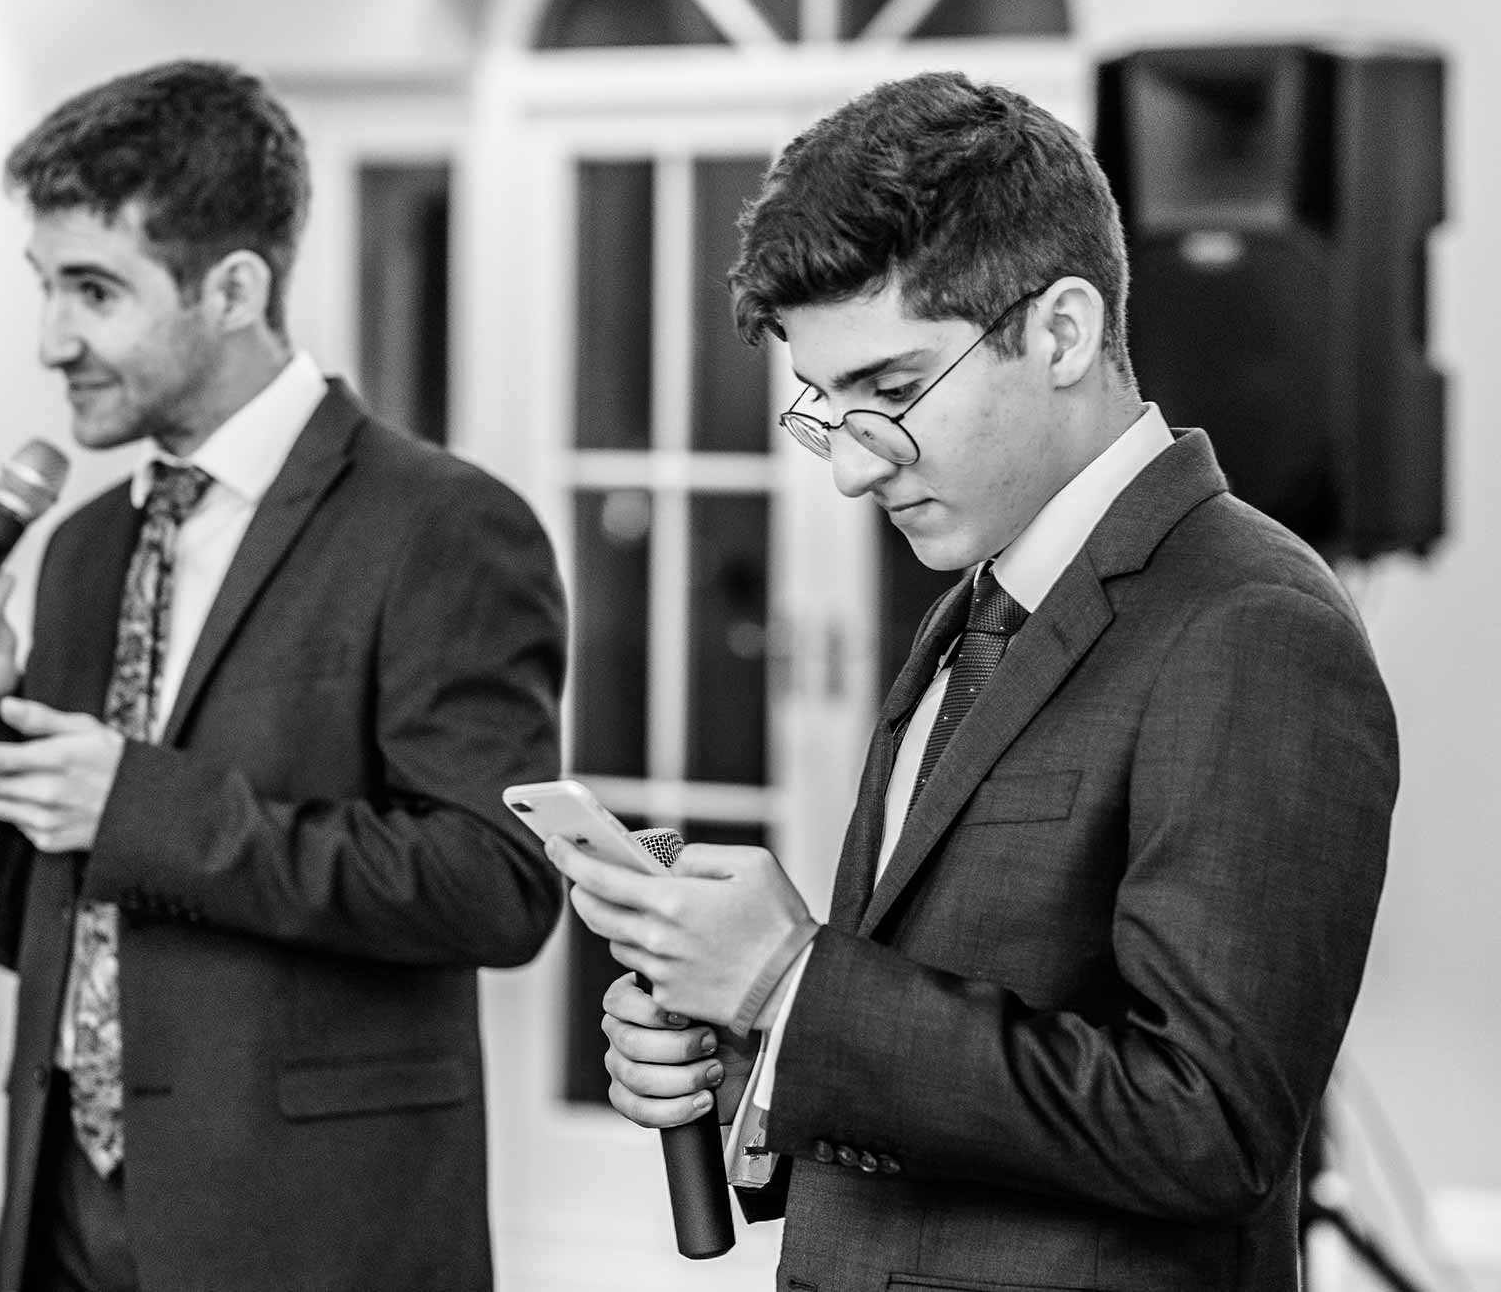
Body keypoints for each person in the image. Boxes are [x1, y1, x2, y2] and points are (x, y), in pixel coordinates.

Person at [549, 70, 1398, 1291]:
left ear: (1058, 333)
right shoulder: (974, 601)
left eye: (891, 393)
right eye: (827, 407)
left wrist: (793, 983)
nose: (851, 468)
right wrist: (760, 1051)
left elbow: (1205, 1128)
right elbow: (945, 1032)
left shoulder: (1254, 622)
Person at [0, 60, 567, 1292]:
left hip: (303, 1229)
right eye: (45, 286)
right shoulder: (82, 550)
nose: (52, 340)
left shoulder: (440, 525)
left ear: (234, 288)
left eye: (94, 291)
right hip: (64, 1220)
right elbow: (39, 930)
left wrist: (137, 805)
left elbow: (493, 887)